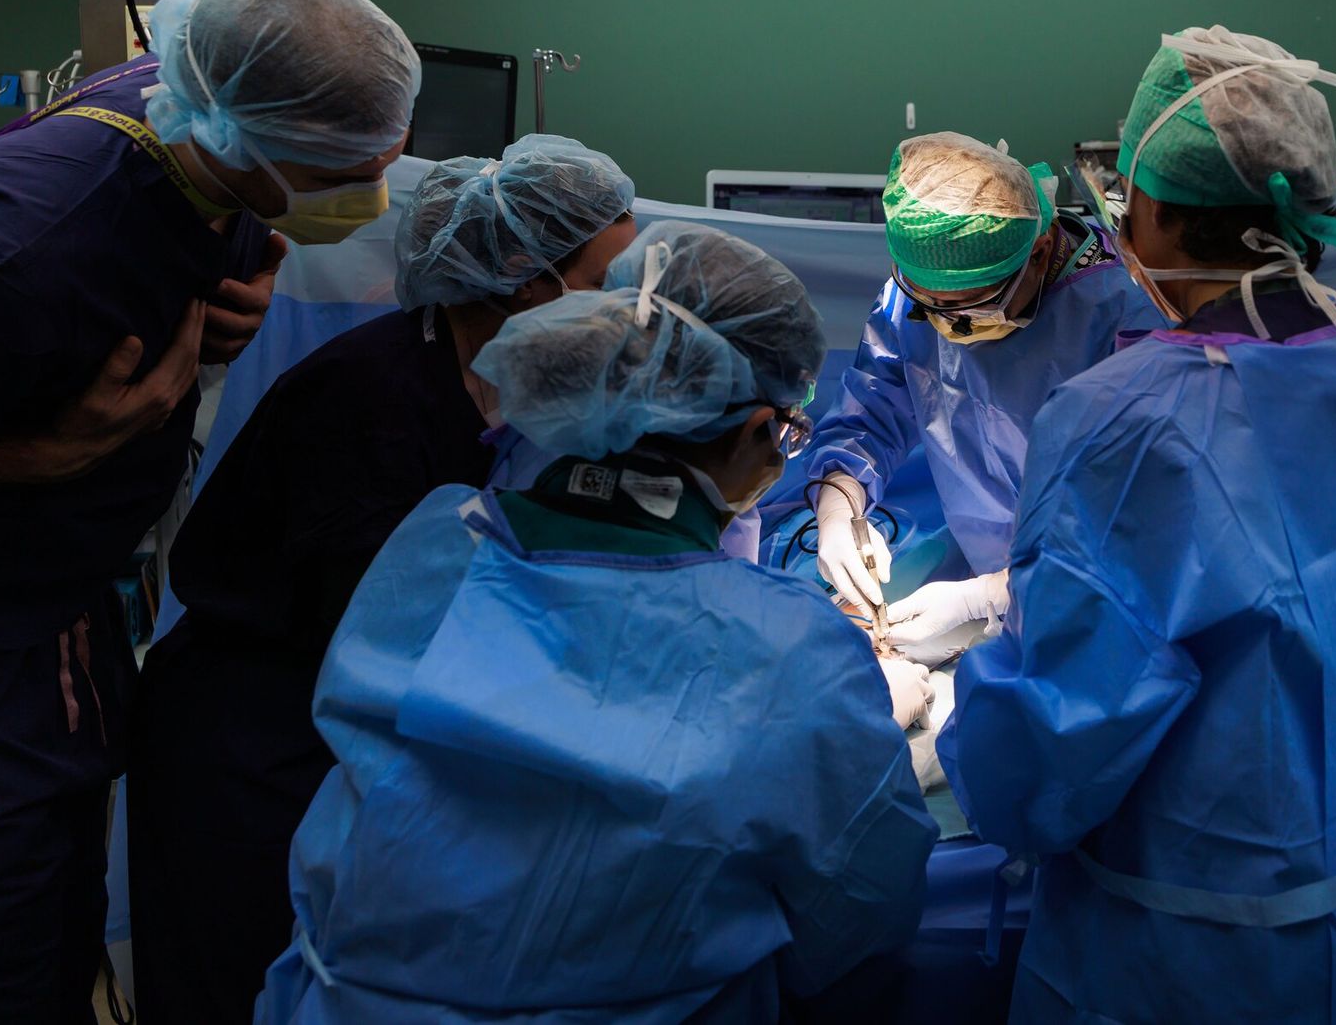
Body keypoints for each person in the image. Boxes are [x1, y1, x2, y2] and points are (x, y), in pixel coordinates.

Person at [0, 0, 418, 1024]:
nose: (365, 195)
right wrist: (17, 460)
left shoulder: (185, 97)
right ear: (254, 144)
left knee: (61, 938)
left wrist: (243, 263)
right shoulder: (1, 256)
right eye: (342, 175)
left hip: (46, 621)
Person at [940, 26, 1336, 1023]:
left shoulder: (1126, 420)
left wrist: (960, 712)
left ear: (1153, 213)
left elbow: (1049, 755)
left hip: (1202, 957)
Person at [257, 222, 938, 1024]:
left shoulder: (443, 537)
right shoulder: (789, 643)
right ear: (758, 427)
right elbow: (861, 916)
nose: (781, 455)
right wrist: (862, 731)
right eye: (788, 436)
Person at [126, 136, 637, 1025]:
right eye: (607, 280)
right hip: (249, 747)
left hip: (313, 711)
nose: (624, 310)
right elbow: (387, 639)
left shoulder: (480, 378)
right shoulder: (372, 406)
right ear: (525, 278)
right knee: (245, 987)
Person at [802, 131, 1152, 663]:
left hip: (1107, 604)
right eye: (928, 306)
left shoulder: (1121, 316)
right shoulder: (915, 291)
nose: (946, 326)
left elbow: (1141, 523)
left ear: (1038, 251)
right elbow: (869, 415)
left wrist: (986, 597)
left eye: (970, 307)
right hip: (991, 574)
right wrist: (839, 502)